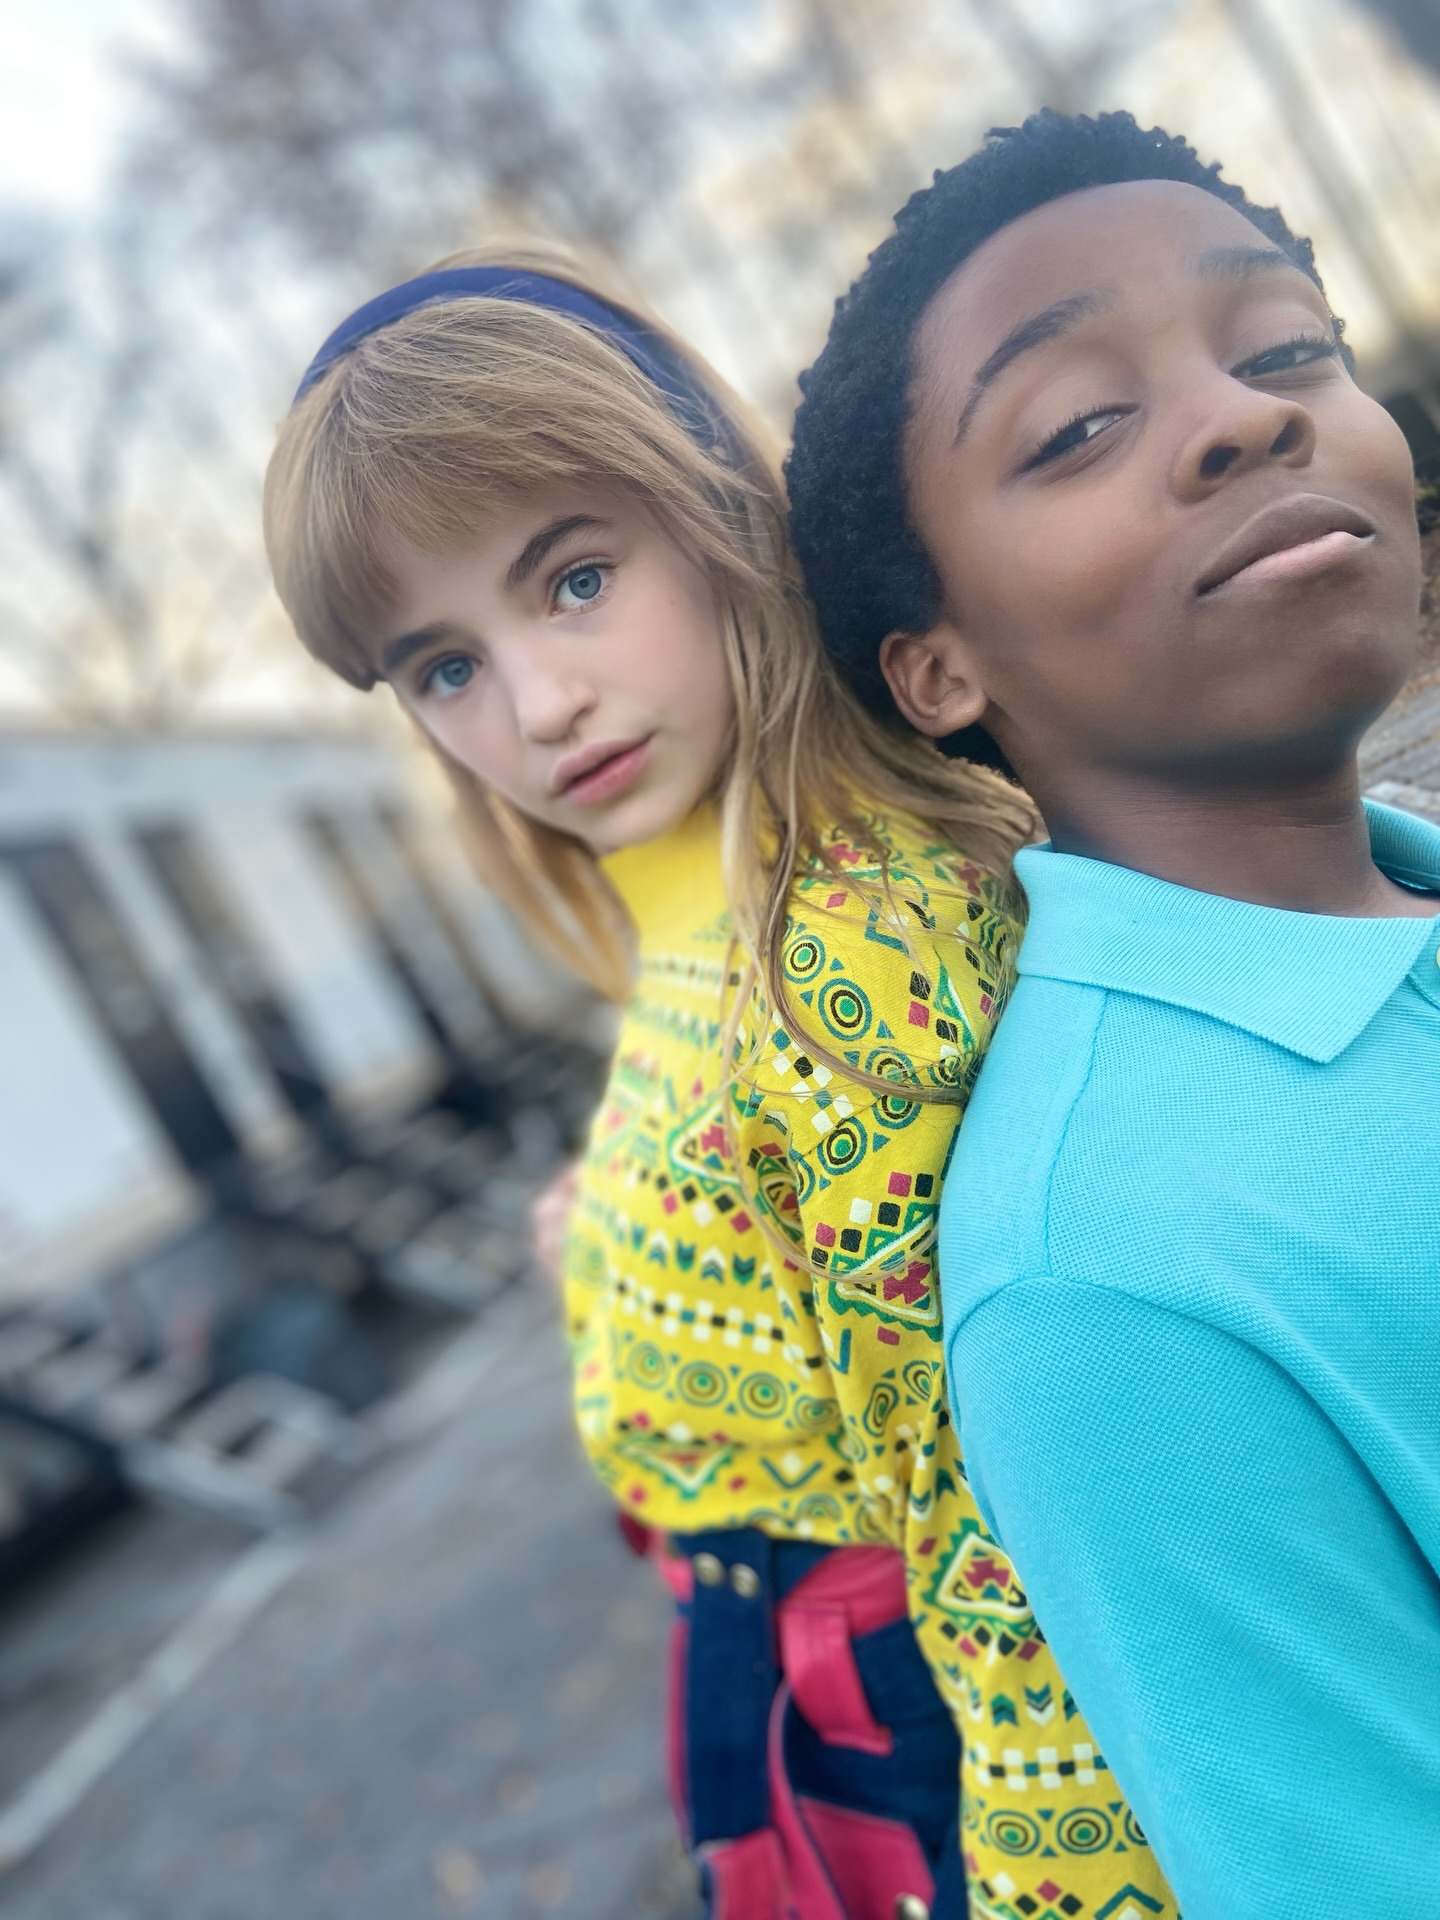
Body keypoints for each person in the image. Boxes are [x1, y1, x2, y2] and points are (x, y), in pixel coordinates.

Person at [264, 243, 1177, 1917]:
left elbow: (1003, 1527)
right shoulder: (699, 903)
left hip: (935, 1749)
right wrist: (613, 1250)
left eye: (575, 578)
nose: (541, 705)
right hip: (790, 1715)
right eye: (445, 667)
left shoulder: (849, 947)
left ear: (708, 506)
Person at [786, 108, 1440, 1917]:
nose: (1245, 418)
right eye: (1078, 425)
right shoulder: (1099, 1273)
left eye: (1286, 347)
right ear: (937, 667)